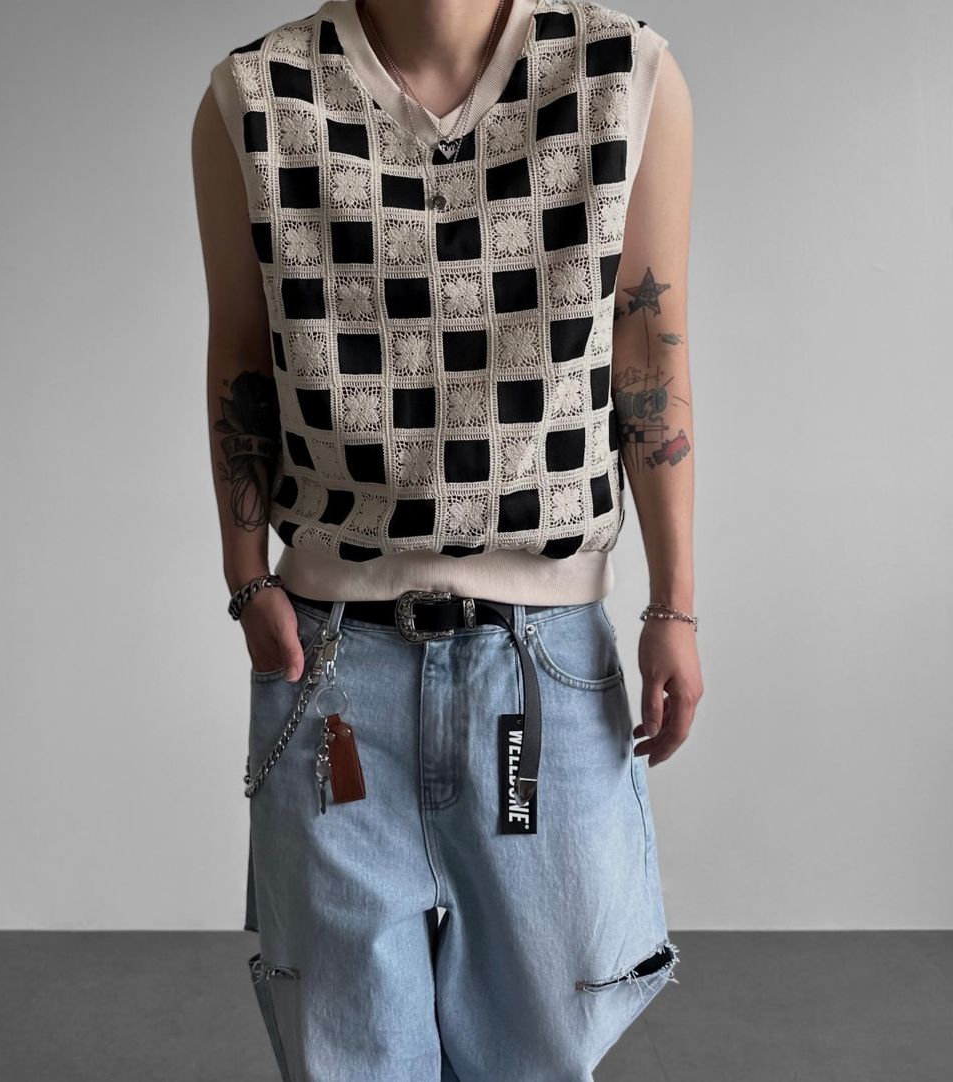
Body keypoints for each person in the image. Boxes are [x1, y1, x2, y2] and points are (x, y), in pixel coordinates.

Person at [192, 0, 701, 1077]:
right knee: (350, 1054)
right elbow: (241, 351)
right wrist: (247, 581)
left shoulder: (624, 73)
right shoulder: (255, 94)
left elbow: (648, 351)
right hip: (333, 664)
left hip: (543, 665)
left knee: (540, 1051)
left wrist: (674, 605)